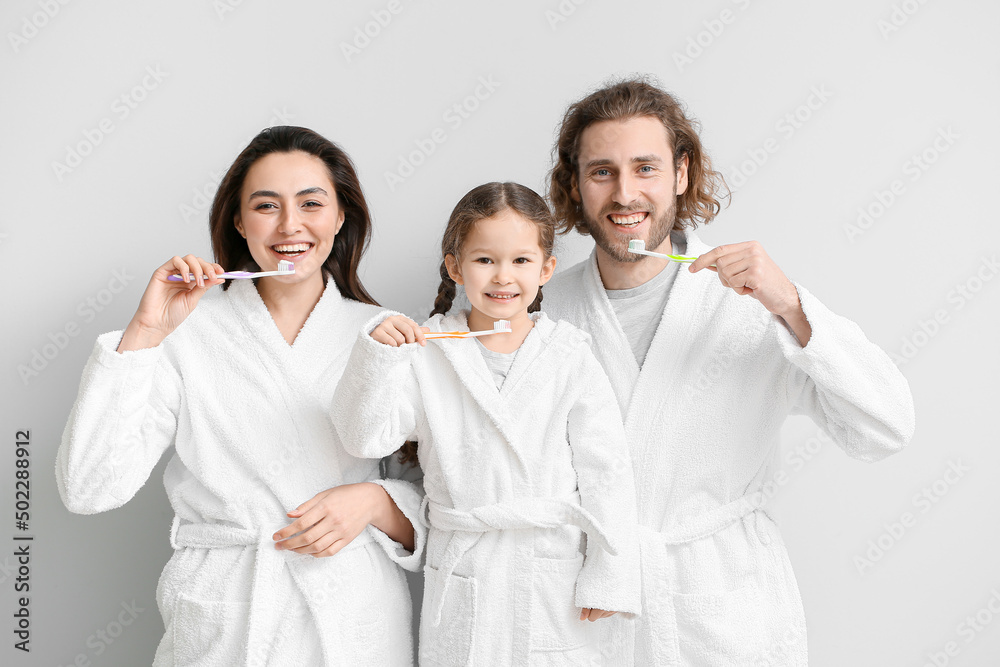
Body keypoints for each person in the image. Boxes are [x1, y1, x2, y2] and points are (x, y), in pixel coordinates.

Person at [542, 79, 916, 665]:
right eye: (601, 171)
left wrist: (790, 304)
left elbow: (886, 427)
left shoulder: (750, 302)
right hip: (584, 614)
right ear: (575, 184)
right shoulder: (543, 312)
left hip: (721, 616)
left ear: (681, 174)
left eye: (645, 168)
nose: (625, 193)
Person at [57, 126, 425, 666]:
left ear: (341, 216)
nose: (289, 225)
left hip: (352, 618)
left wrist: (377, 502)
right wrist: (144, 331)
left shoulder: (386, 334)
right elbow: (89, 487)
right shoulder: (186, 331)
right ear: (238, 220)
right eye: (266, 205)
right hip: (230, 613)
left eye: (311, 203)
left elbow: (446, 489)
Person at [331, 182, 641, 666]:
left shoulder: (570, 355)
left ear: (546, 269)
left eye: (520, 261)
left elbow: (609, 471)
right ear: (456, 267)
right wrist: (376, 357)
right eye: (484, 260)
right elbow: (364, 437)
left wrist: (612, 575)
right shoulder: (426, 349)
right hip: (465, 570)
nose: (503, 277)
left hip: (552, 572)